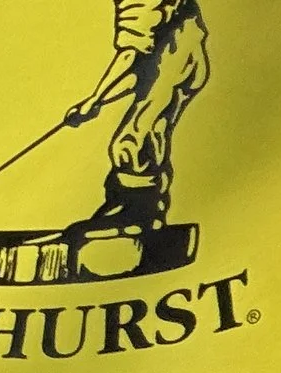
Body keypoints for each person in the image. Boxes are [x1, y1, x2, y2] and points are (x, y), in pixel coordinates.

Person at [65, 0, 209, 232]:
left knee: (130, 144)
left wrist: (94, 101)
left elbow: (131, 58)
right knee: (151, 138)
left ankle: (138, 217)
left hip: (176, 60)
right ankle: (143, 214)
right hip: (176, 58)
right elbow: (135, 69)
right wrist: (97, 101)